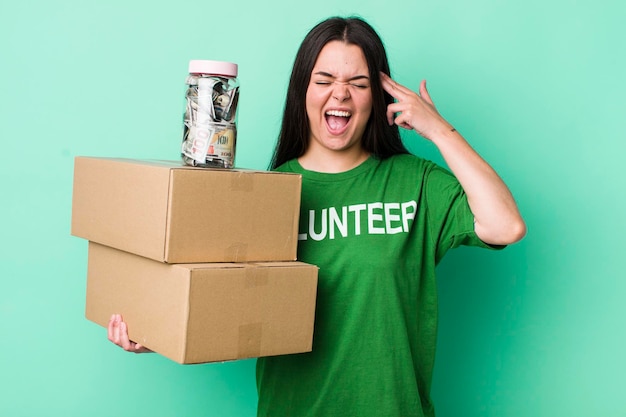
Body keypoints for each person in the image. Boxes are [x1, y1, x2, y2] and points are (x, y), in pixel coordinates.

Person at [108, 16, 526, 417]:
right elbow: (223, 303)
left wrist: (438, 129)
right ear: (302, 92)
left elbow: (505, 225)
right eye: (324, 80)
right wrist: (158, 329)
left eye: (358, 84)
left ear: (377, 98)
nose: (340, 94)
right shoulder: (264, 194)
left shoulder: (416, 184)